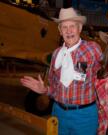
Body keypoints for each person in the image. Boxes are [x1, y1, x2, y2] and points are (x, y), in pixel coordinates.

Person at [20, 7, 102, 135]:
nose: (68, 31)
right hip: (58, 113)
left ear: (80, 28)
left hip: (84, 115)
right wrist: (45, 90)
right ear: (59, 30)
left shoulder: (93, 49)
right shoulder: (56, 54)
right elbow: (55, 88)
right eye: (64, 27)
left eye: (72, 26)